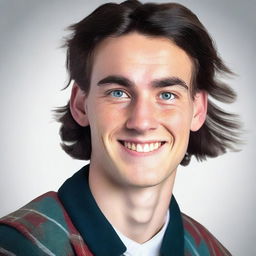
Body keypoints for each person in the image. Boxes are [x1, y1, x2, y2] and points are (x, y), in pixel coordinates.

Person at [0, 0, 240, 255]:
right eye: (118, 93)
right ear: (81, 106)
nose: (142, 122)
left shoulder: (212, 250)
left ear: (198, 110)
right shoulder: (17, 247)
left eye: (167, 95)